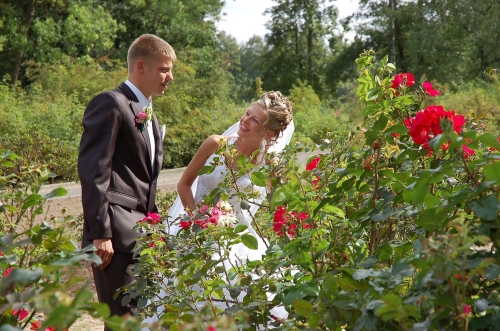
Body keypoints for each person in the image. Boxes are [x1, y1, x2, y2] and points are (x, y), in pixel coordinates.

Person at [142, 91, 294, 326]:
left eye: (255, 120)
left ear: (269, 133)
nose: (245, 120)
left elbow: (277, 206)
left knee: (246, 299)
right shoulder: (215, 144)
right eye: (247, 113)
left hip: (237, 241)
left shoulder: (269, 165)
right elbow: (184, 184)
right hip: (195, 231)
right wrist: (198, 221)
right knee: (184, 302)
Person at [78, 34, 175, 324]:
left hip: (143, 238)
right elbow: (94, 172)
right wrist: (100, 234)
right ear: (141, 66)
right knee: (122, 322)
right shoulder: (111, 103)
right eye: (164, 69)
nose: (169, 77)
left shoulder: (150, 118)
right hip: (115, 238)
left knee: (140, 321)